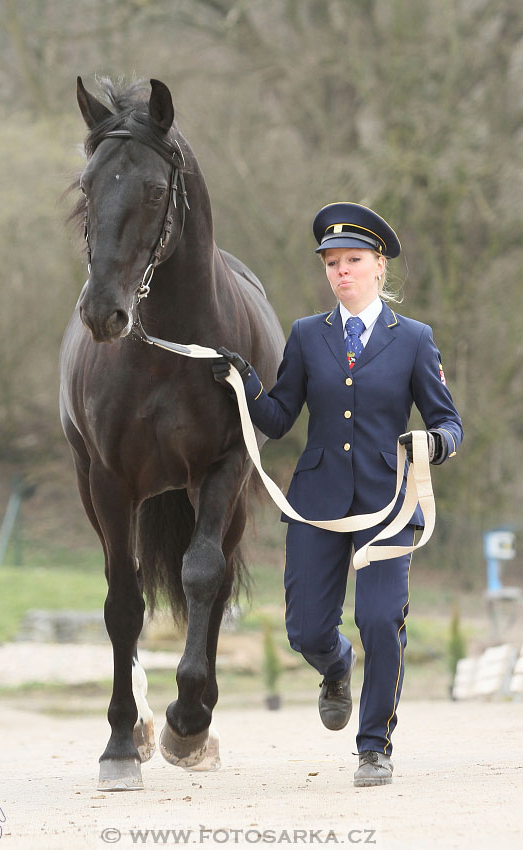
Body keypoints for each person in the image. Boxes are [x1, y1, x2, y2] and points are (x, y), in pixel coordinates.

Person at [212, 202, 463, 787]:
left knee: (379, 620)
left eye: (352, 260)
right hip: (317, 501)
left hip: (390, 504)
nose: (340, 271)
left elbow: (449, 421)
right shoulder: (305, 335)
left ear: (379, 266)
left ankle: (374, 746)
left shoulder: (416, 341)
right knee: (304, 630)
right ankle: (336, 666)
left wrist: (435, 445)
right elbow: (276, 420)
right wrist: (245, 381)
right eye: (332, 262)